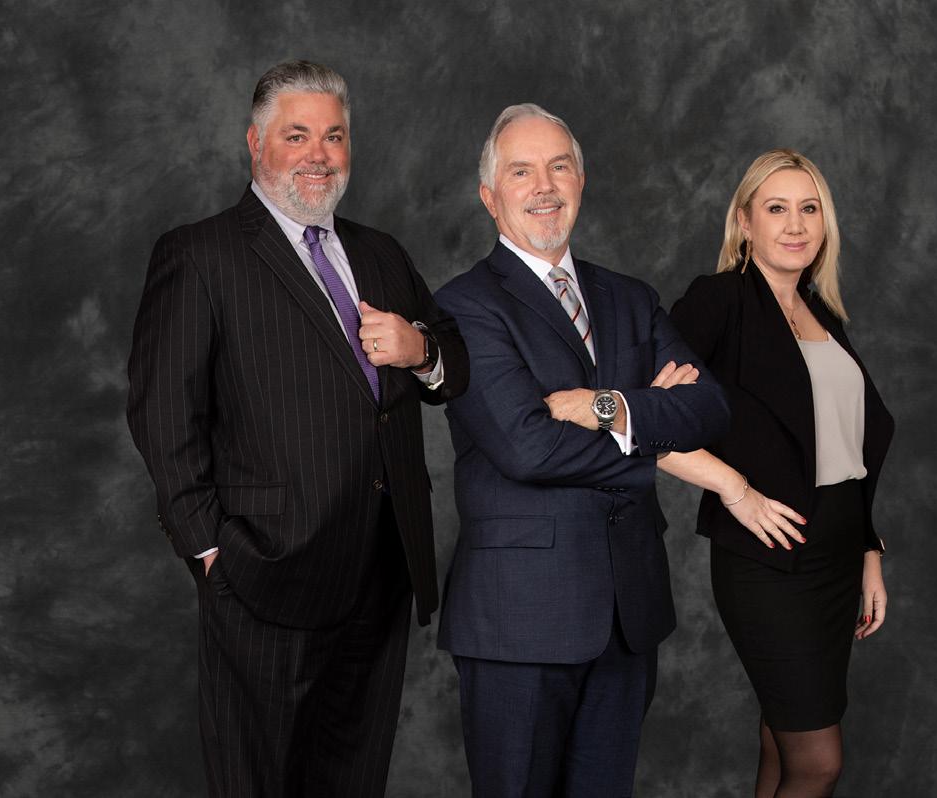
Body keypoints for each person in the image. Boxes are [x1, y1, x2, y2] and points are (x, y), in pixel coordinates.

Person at [126, 60, 468, 797]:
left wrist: (420, 348)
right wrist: (211, 550)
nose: (319, 154)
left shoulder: (380, 252)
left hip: (380, 571)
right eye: (297, 135)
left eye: (334, 136)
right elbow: (161, 413)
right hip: (264, 575)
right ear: (256, 144)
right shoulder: (200, 254)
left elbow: (454, 366)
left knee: (352, 780)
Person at [433, 103, 730, 796]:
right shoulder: (463, 306)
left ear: (581, 180)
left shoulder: (630, 298)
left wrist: (608, 407)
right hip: (519, 620)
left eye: (558, 166)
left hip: (628, 613)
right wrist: (651, 428)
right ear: (489, 196)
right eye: (521, 171)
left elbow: (709, 408)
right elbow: (528, 448)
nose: (544, 186)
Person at [663, 149, 894, 797]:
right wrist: (734, 491)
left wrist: (868, 551)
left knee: (781, 742)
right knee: (817, 763)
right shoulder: (719, 301)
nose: (795, 225)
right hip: (770, 561)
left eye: (809, 208)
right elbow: (645, 423)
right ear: (744, 222)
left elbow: (848, 448)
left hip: (837, 558)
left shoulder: (822, 312)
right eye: (776, 208)